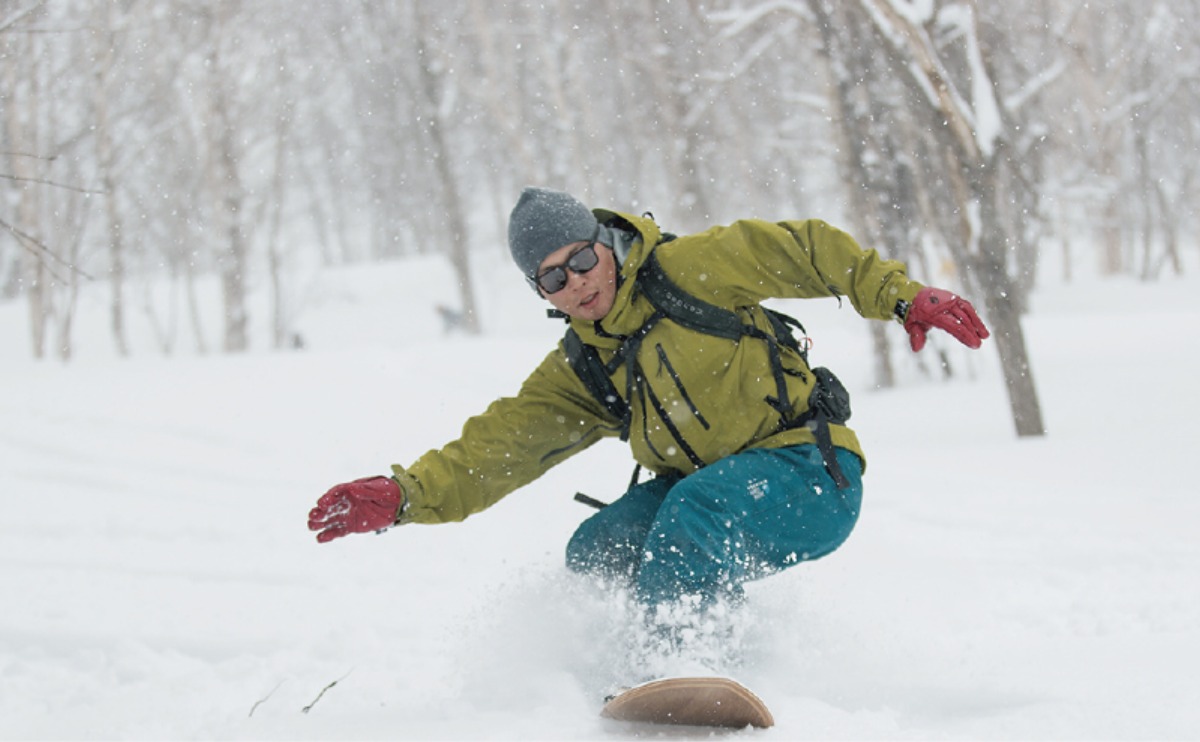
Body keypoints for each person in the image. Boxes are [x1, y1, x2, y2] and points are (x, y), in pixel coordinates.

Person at [307, 187, 989, 620]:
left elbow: (805, 250)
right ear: (541, 294)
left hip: (809, 473)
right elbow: (499, 447)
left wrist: (901, 297)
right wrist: (405, 496)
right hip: (708, 491)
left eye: (581, 260)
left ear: (605, 243)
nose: (576, 283)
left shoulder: (693, 269)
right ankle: (660, 665)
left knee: (695, 510)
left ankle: (678, 658)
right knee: (597, 549)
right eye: (552, 278)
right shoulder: (583, 364)